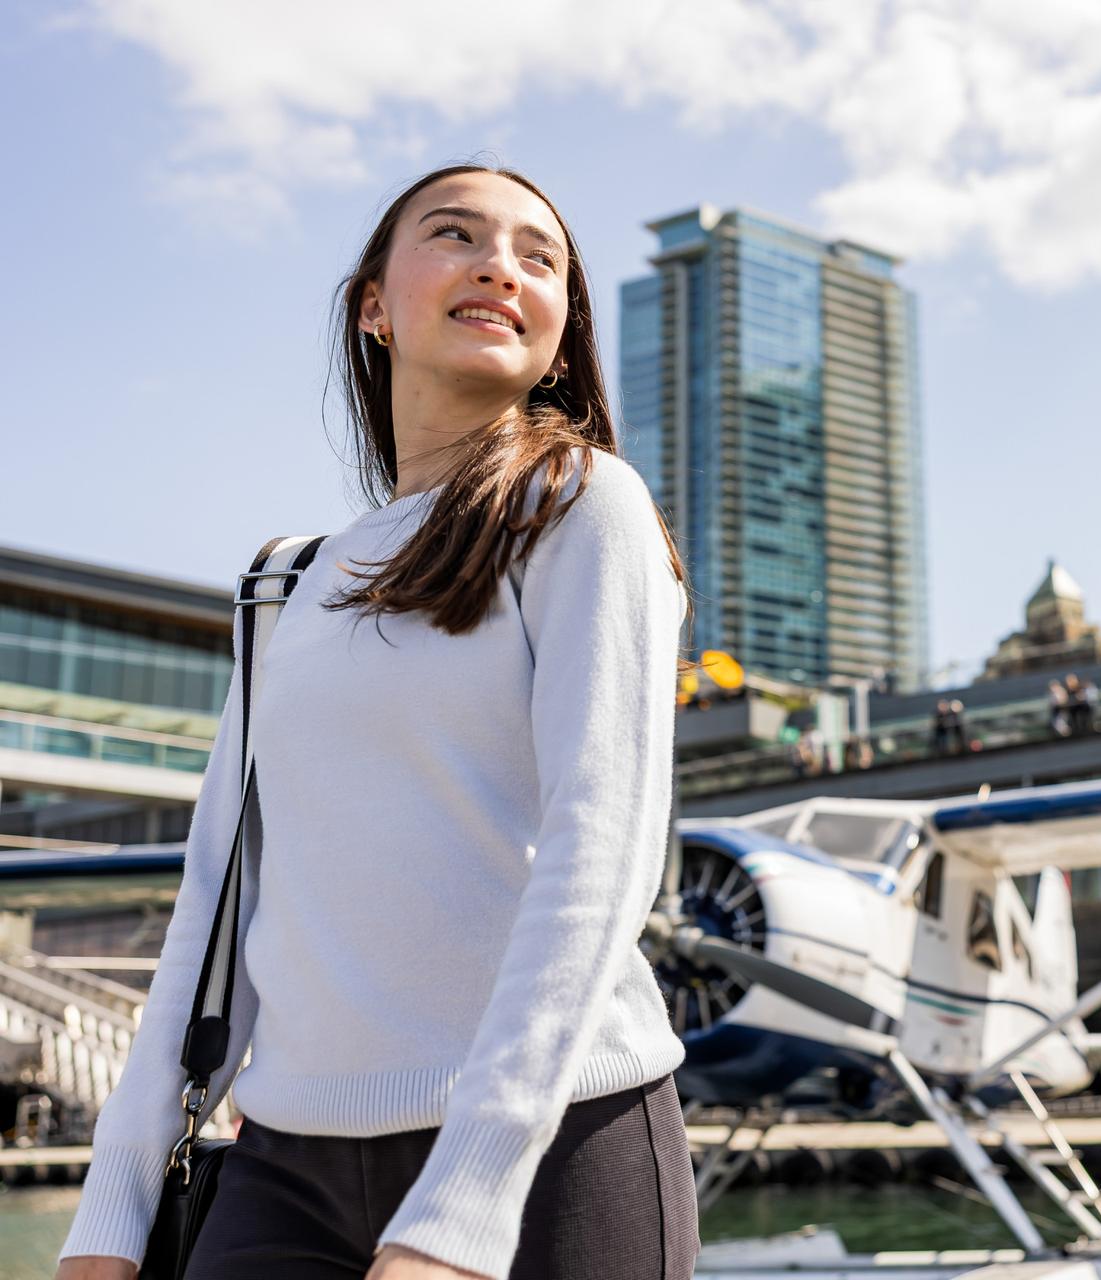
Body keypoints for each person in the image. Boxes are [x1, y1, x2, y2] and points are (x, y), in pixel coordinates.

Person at [55, 166, 701, 1280]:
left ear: (557, 341)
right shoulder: (283, 582)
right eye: (455, 235)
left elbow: (605, 851)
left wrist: (464, 1201)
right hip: (283, 1165)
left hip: (559, 1147)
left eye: (539, 258)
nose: (500, 263)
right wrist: (111, 1208)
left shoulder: (588, 505)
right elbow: (219, 890)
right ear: (372, 305)